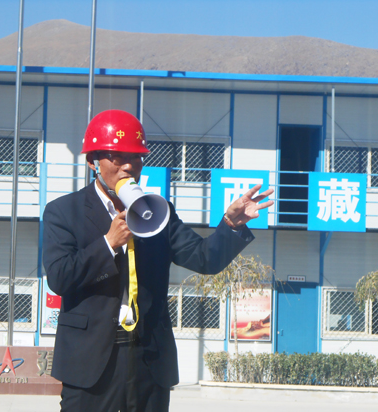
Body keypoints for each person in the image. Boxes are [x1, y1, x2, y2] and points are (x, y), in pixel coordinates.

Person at [42, 109, 274, 411]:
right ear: (93, 162)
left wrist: (231, 225)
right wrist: (108, 244)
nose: (128, 166)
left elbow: (205, 259)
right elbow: (60, 277)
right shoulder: (63, 212)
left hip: (149, 361)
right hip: (90, 363)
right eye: (116, 157)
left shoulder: (157, 211)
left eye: (136, 157)